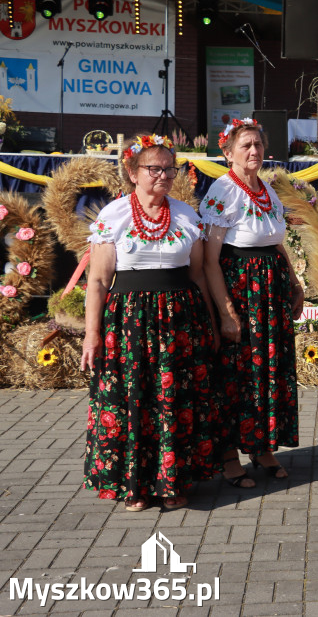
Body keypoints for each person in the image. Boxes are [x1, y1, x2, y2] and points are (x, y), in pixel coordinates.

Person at [81, 135, 219, 511]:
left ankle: (172, 483)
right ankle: (135, 485)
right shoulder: (113, 215)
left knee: (174, 401)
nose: (163, 175)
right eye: (153, 168)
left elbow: (198, 275)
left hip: (179, 321)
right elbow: (97, 281)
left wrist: (210, 321)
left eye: (169, 168)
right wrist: (92, 335)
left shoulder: (188, 215)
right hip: (129, 322)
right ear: (132, 172)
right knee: (133, 400)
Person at [201, 118, 303, 488]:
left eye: (258, 144)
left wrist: (294, 281)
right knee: (237, 372)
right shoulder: (222, 191)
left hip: (270, 291)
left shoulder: (266, 189)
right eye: (245, 146)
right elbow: (210, 260)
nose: (254, 151)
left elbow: (275, 241)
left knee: (268, 369)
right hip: (242, 289)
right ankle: (229, 454)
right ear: (227, 153)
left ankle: (261, 447)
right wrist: (226, 310)